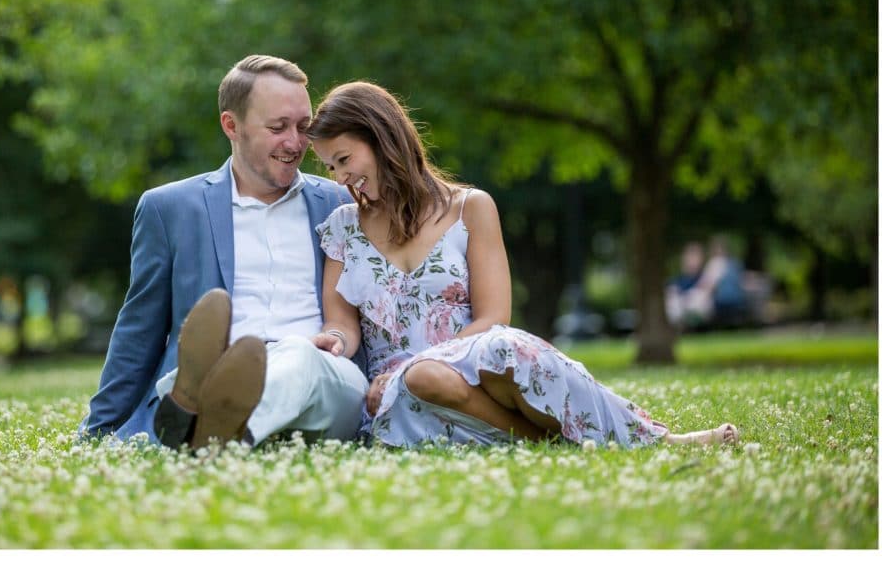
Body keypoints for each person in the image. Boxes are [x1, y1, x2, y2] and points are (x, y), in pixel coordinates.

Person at [307, 81, 738, 449]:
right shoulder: (343, 227)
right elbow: (342, 324)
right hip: (404, 391)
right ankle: (559, 442)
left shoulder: (470, 208)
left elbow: (495, 317)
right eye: (330, 167)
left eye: (344, 160)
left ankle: (654, 437)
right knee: (424, 378)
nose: (340, 178)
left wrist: (438, 357)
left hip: (472, 359)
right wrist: (335, 342)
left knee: (503, 351)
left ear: (382, 138)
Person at [79, 55, 368, 449]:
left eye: (304, 127)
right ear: (231, 125)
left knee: (299, 357)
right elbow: (139, 327)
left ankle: (199, 430)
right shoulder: (170, 208)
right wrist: (99, 428)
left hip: (325, 378)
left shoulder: (342, 203)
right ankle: (216, 418)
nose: (295, 143)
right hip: (213, 372)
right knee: (198, 374)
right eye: (277, 127)